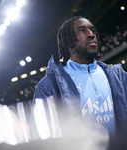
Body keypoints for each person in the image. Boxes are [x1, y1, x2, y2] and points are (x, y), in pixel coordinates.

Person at [31, 16, 127, 150]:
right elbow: (43, 139)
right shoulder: (49, 86)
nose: (91, 35)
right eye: (82, 31)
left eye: (93, 31)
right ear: (68, 42)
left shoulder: (118, 76)